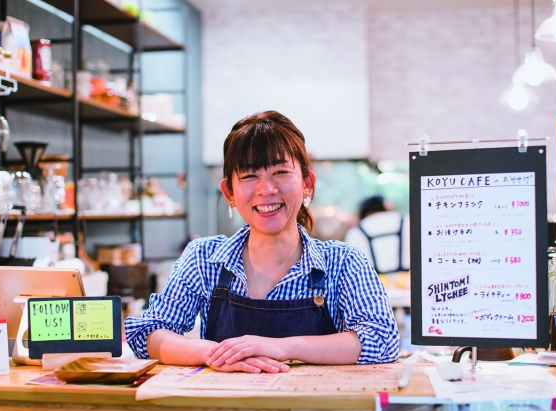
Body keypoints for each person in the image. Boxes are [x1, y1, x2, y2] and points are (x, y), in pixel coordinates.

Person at [125, 111, 399, 373]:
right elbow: (147, 333)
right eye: (249, 175)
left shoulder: (343, 262)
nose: (266, 189)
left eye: (280, 172)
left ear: (307, 184)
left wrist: (281, 347)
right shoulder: (202, 258)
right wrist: (217, 355)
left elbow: (382, 340)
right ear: (229, 192)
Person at [344, 195, 410, 275]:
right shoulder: (407, 220)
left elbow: (351, 266)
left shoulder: (356, 231)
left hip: (373, 284)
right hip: (412, 282)